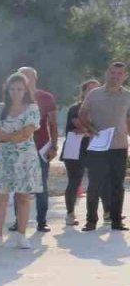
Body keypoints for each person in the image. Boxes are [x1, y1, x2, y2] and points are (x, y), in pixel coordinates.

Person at [0, 73, 44, 249]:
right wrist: (9, 137)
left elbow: (27, 133)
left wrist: (4, 137)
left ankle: (21, 235)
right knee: (0, 197)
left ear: (25, 90)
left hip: (25, 159)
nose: (16, 92)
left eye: (19, 89)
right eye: (12, 89)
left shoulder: (32, 108)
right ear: (8, 89)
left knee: (23, 197)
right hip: (3, 158)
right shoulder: (0, 107)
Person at [78, 61, 130, 231]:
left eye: (119, 74)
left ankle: (116, 220)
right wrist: (91, 129)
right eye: (112, 73)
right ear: (107, 73)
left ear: (125, 76)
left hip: (119, 146)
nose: (115, 77)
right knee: (95, 184)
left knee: (118, 185)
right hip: (98, 145)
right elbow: (82, 113)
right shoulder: (94, 94)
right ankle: (91, 220)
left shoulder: (127, 95)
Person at [7, 67, 59, 233]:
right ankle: (18, 220)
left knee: (41, 186)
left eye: (29, 77)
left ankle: (42, 221)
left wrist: (54, 146)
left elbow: (53, 124)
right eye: (23, 77)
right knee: (19, 186)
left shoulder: (46, 98)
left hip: (40, 148)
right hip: (19, 149)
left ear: (35, 78)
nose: (26, 80)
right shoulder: (13, 98)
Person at [62, 80, 101, 226]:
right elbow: (80, 125)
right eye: (90, 89)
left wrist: (88, 132)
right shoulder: (75, 108)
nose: (93, 92)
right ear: (83, 92)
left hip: (94, 148)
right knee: (74, 181)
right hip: (74, 147)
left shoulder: (100, 109)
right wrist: (91, 132)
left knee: (98, 181)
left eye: (96, 89)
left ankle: (106, 212)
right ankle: (70, 214)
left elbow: (91, 130)